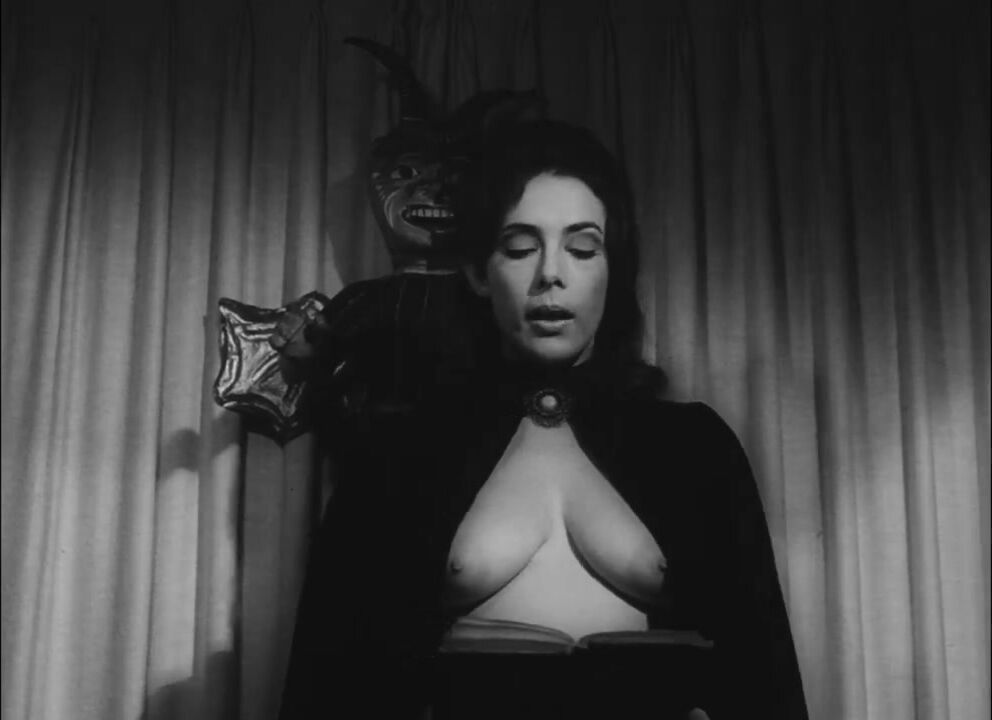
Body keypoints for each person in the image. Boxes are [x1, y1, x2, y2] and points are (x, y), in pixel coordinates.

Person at [278, 121, 809, 720]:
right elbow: (333, 673)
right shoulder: (402, 451)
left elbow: (761, 667)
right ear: (478, 272)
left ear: (613, 270)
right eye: (520, 248)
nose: (551, 274)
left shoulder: (693, 447)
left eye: (582, 249)